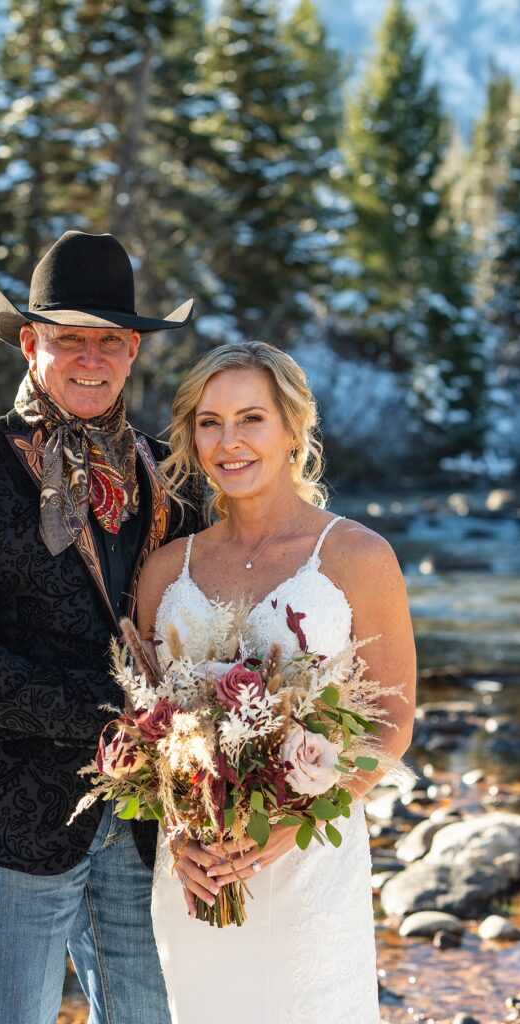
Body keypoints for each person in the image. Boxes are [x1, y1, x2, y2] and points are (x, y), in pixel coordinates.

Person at [0, 230, 199, 1024]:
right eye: (70, 339)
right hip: (14, 805)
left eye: (109, 339)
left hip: (143, 814)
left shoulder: (171, 473)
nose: (91, 358)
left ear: (134, 349)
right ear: (32, 343)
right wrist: (113, 712)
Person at [136, 340, 417, 1023]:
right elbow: (146, 726)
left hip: (308, 861)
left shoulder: (356, 555)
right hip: (198, 867)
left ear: (292, 430)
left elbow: (392, 724)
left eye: (251, 419)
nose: (228, 442)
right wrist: (179, 834)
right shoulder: (164, 568)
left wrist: (289, 826)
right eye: (209, 422)